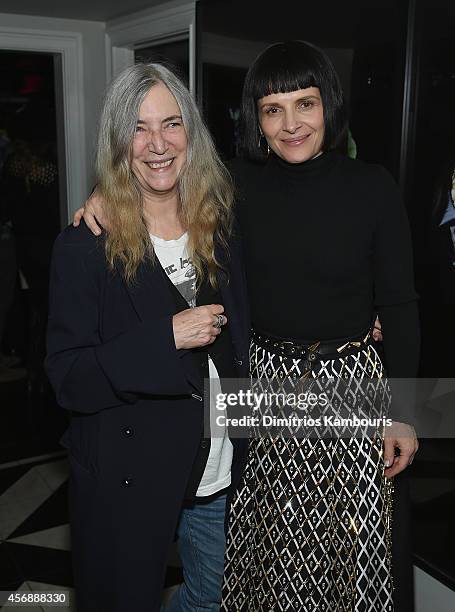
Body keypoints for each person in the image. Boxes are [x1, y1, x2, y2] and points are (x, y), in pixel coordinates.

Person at [75, 42, 419, 611]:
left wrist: (404, 413)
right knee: (269, 558)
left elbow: (402, 305)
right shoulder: (233, 187)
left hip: (352, 386)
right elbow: (156, 180)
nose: (291, 124)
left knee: (350, 557)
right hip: (261, 385)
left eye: (304, 104)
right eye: (272, 109)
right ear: (255, 119)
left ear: (327, 106)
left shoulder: (374, 187)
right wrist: (101, 200)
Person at [46, 63, 250, 612]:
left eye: (171, 124)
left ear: (192, 135)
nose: (157, 144)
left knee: (211, 598)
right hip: (128, 481)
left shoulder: (220, 224)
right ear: (118, 141)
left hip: (216, 471)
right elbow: (69, 379)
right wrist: (165, 339)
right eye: (138, 128)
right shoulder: (85, 245)